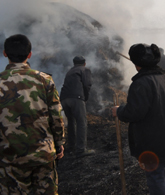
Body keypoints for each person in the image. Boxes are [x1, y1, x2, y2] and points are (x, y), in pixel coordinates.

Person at [112, 43, 165, 195]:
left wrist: (119, 111)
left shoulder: (141, 83)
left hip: (153, 142)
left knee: (156, 176)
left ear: (136, 64)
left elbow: (134, 112)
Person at [0, 34, 65, 194]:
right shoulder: (45, 80)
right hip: (43, 154)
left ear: (5, 53)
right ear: (29, 54)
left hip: (10, 157)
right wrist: (59, 144)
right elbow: (56, 116)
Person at [60, 55, 95, 158]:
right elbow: (87, 84)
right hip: (76, 98)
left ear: (74, 63)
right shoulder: (85, 69)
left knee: (71, 121)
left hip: (64, 99)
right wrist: (85, 98)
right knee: (81, 122)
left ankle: (71, 146)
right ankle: (81, 150)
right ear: (84, 63)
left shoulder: (70, 71)